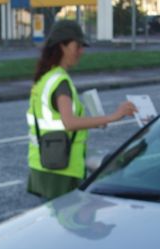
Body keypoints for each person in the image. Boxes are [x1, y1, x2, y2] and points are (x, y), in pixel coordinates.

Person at [26, 20, 137, 200]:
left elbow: (58, 120)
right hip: (61, 170)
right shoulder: (60, 82)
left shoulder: (46, 78)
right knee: (68, 222)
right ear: (62, 46)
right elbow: (69, 122)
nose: (81, 51)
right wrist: (114, 116)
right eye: (77, 46)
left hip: (44, 163)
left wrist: (96, 121)